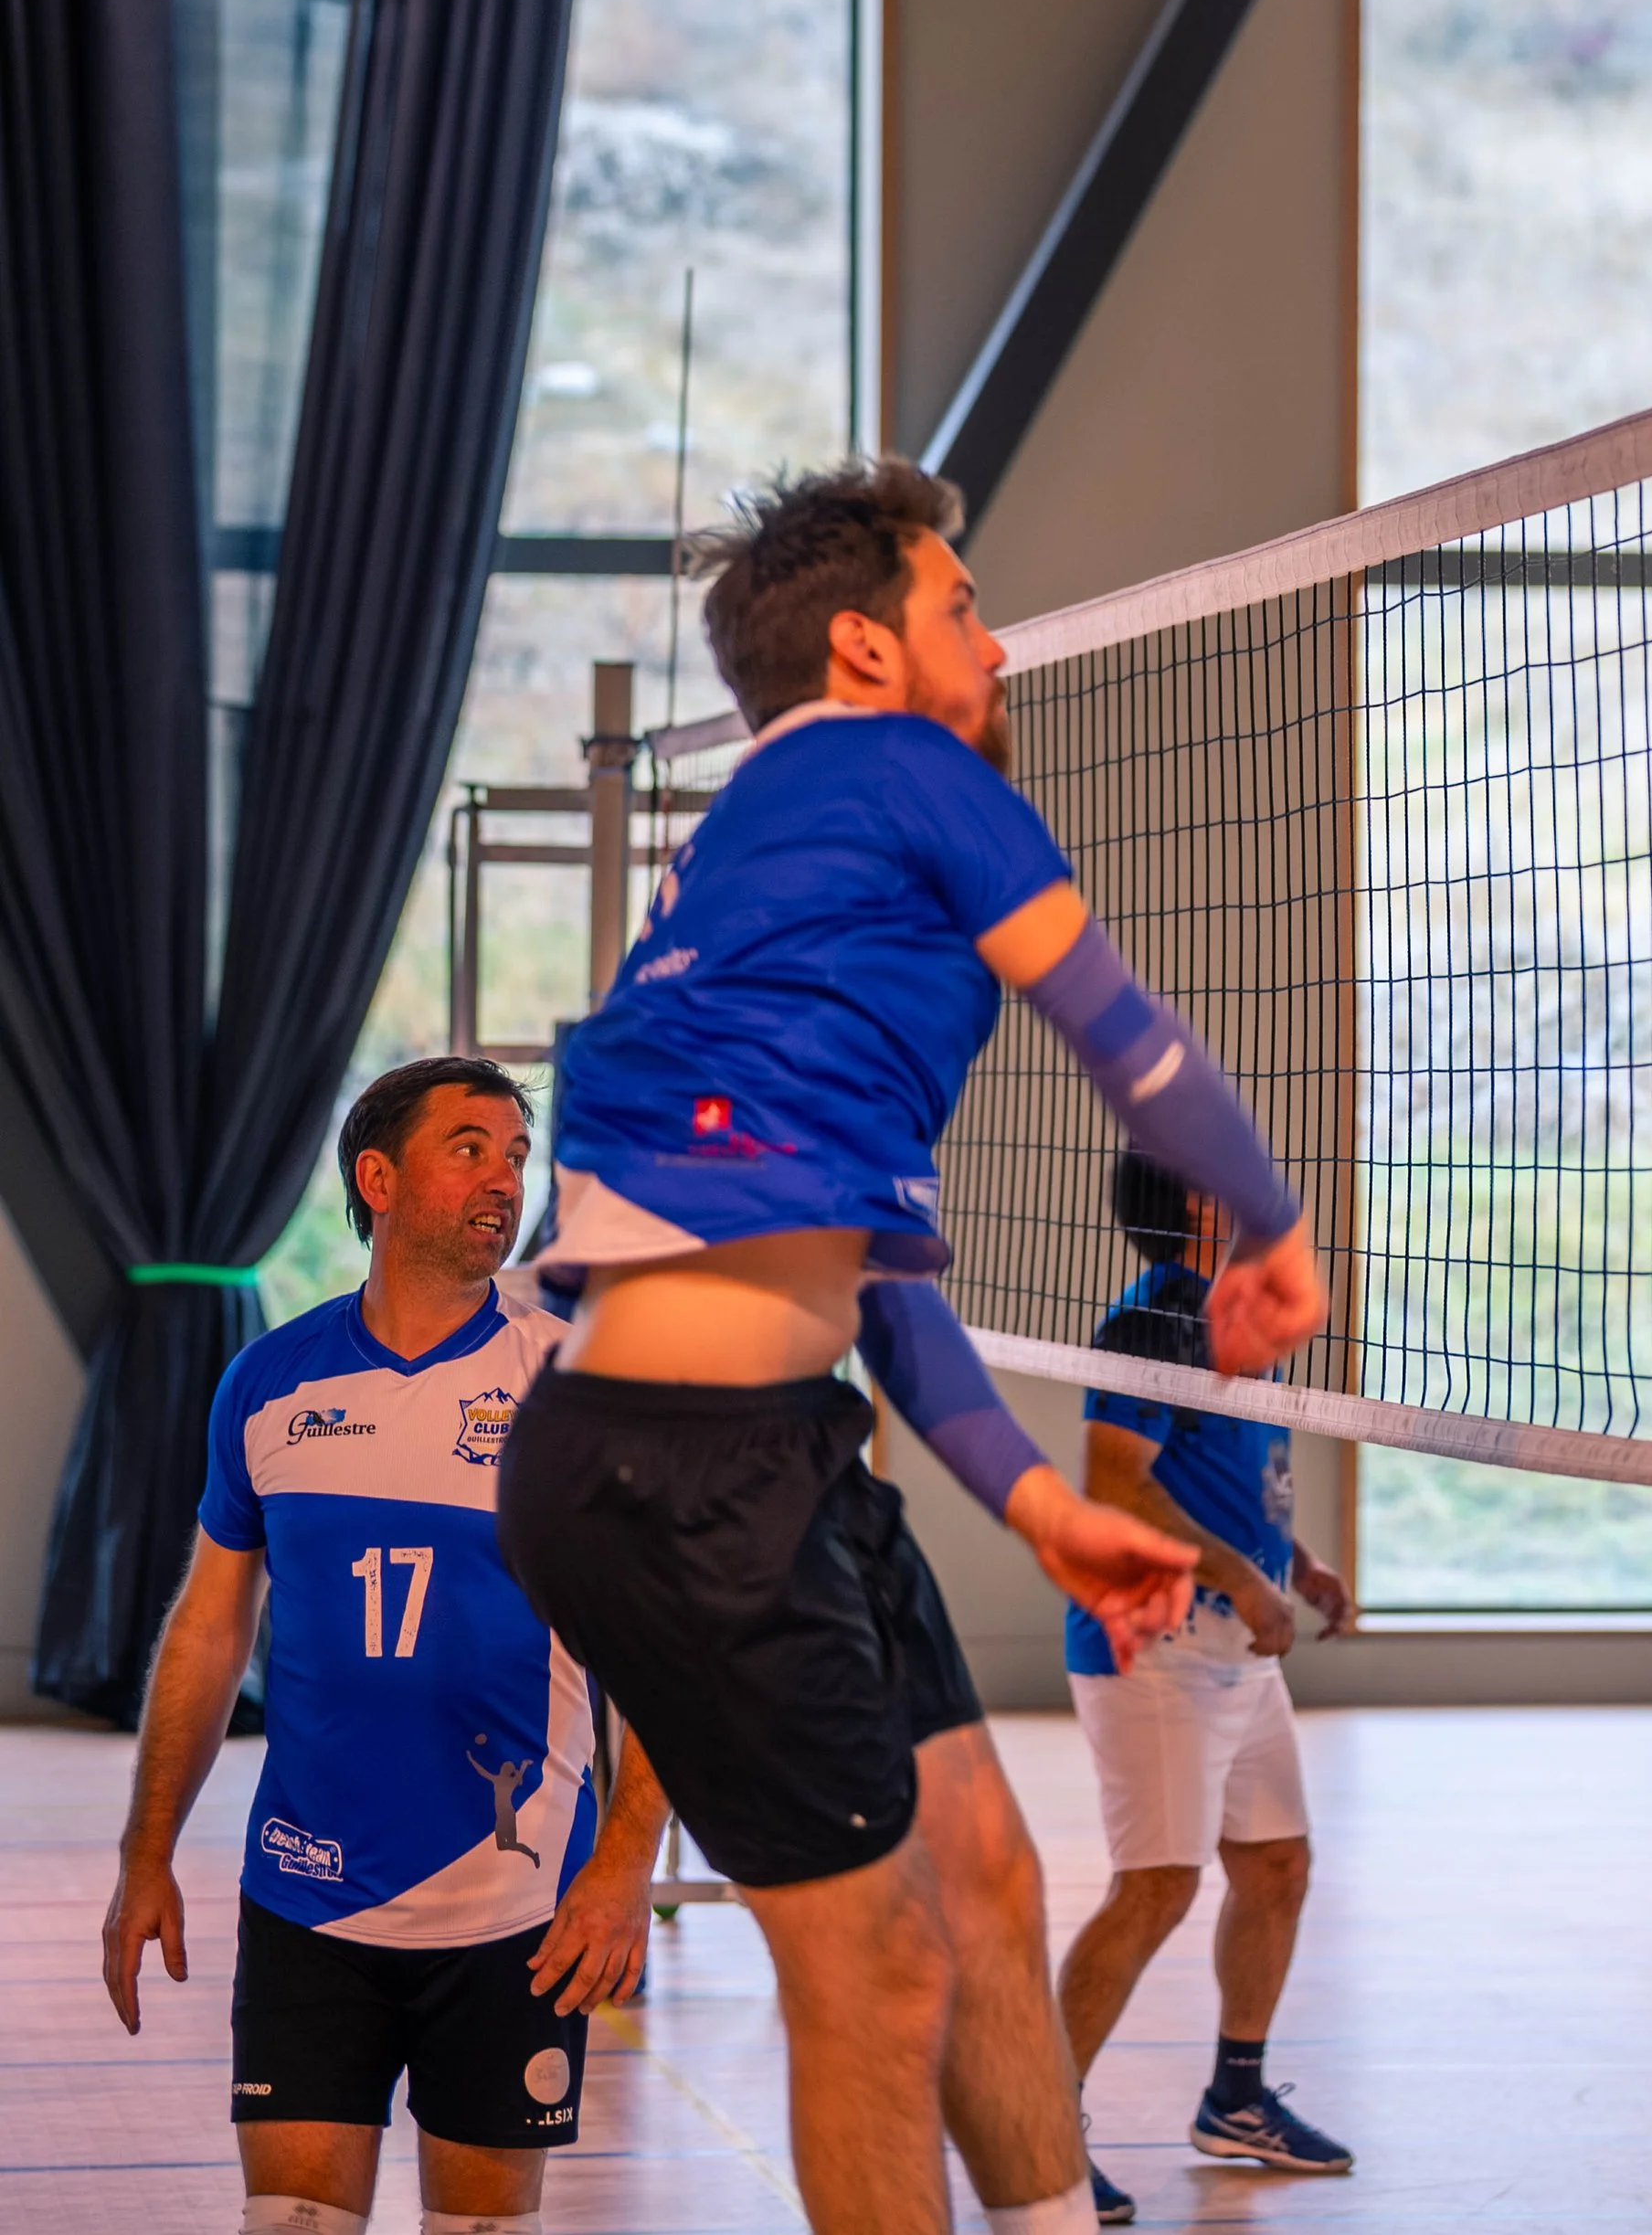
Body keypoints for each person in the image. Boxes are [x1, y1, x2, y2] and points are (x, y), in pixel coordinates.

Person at [495, 459, 1330, 2235]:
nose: (998, 640)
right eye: (964, 608)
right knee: (873, 1976)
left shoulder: (776, 881)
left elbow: (873, 1287)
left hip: (776, 1446)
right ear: (867, 650)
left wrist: (1033, 1505)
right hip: (669, 1467)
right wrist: (1266, 1227)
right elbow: (1132, 1042)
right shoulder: (894, 773)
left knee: (983, 1876)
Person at [103, 1054, 671, 2235]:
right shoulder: (265, 1387)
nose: (504, 1179)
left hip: (512, 1918)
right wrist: (145, 1851)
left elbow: (668, 1653)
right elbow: (210, 1631)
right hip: (307, 1905)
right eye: (470, 1147)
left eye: (517, 1155)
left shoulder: (573, 1390)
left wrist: (624, 1866)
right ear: (378, 1176)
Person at [1059, 1149, 1356, 2224]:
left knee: (1275, 1866)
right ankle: (1042, 2132)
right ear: (1193, 1200)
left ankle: (1236, 2099)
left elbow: (1230, 1479)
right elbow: (1113, 1486)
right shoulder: (1152, 1327)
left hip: (1237, 1647)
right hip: (1156, 1650)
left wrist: (1297, 1560)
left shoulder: (1229, 1314)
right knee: (1157, 1888)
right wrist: (1236, 1576)